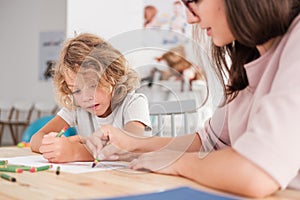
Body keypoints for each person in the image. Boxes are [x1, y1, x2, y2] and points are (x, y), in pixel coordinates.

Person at [85, 0, 300, 198]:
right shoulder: (247, 58)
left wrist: (177, 162)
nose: (190, 18)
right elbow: (208, 143)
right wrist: (132, 144)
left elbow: (254, 173)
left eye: (195, 1)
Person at [30, 33, 152, 163]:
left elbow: (132, 147)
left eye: (93, 85)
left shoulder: (133, 103)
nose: (86, 98)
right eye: (76, 90)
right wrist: (54, 145)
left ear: (112, 75)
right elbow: (35, 139)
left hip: (134, 179)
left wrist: (76, 151)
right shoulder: (76, 107)